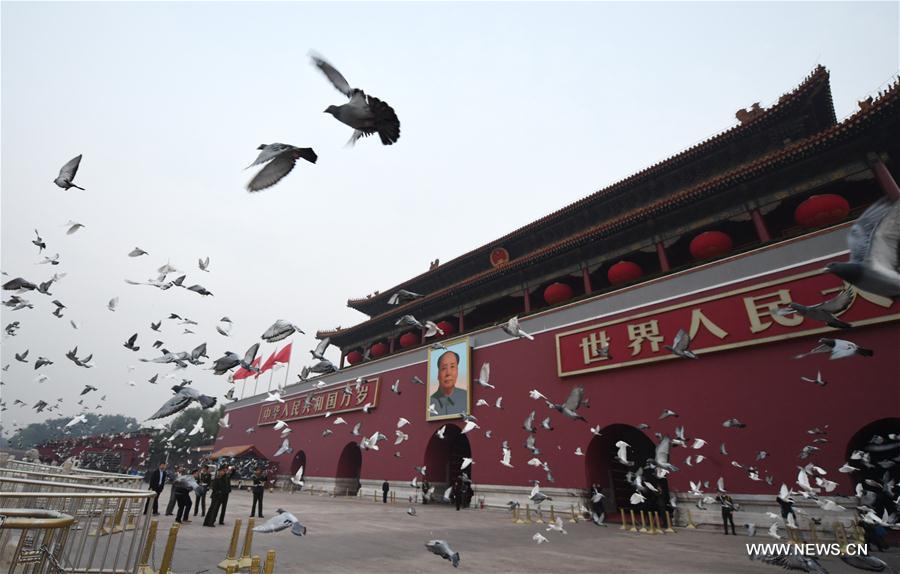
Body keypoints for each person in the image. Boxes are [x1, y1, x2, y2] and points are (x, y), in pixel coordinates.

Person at [429, 351, 468, 416]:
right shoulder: (430, 402)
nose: (448, 373)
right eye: (444, 368)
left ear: (457, 371)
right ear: (438, 374)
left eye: (452, 367)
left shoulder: (466, 397)